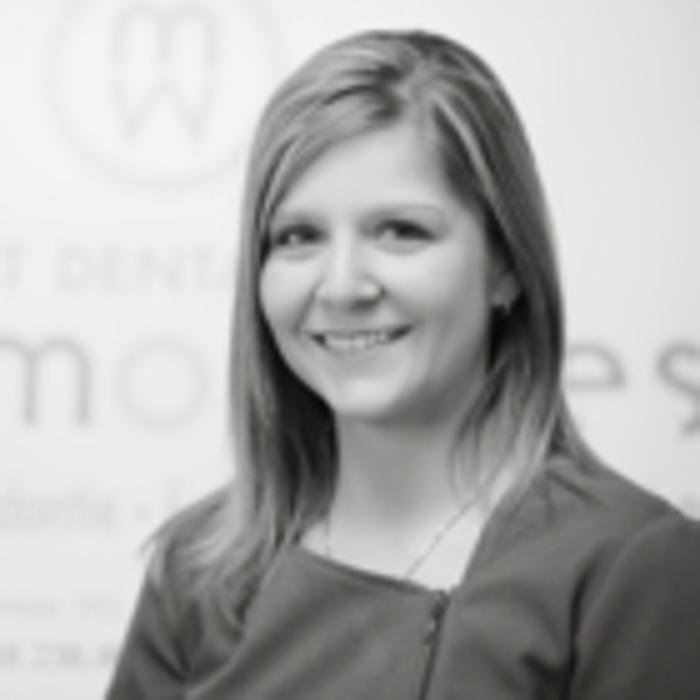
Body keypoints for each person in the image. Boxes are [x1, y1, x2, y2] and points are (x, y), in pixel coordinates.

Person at [106, 29, 700, 699]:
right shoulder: (199, 568)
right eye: (298, 237)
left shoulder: (633, 565)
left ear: (507, 265)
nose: (342, 287)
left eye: (401, 231)